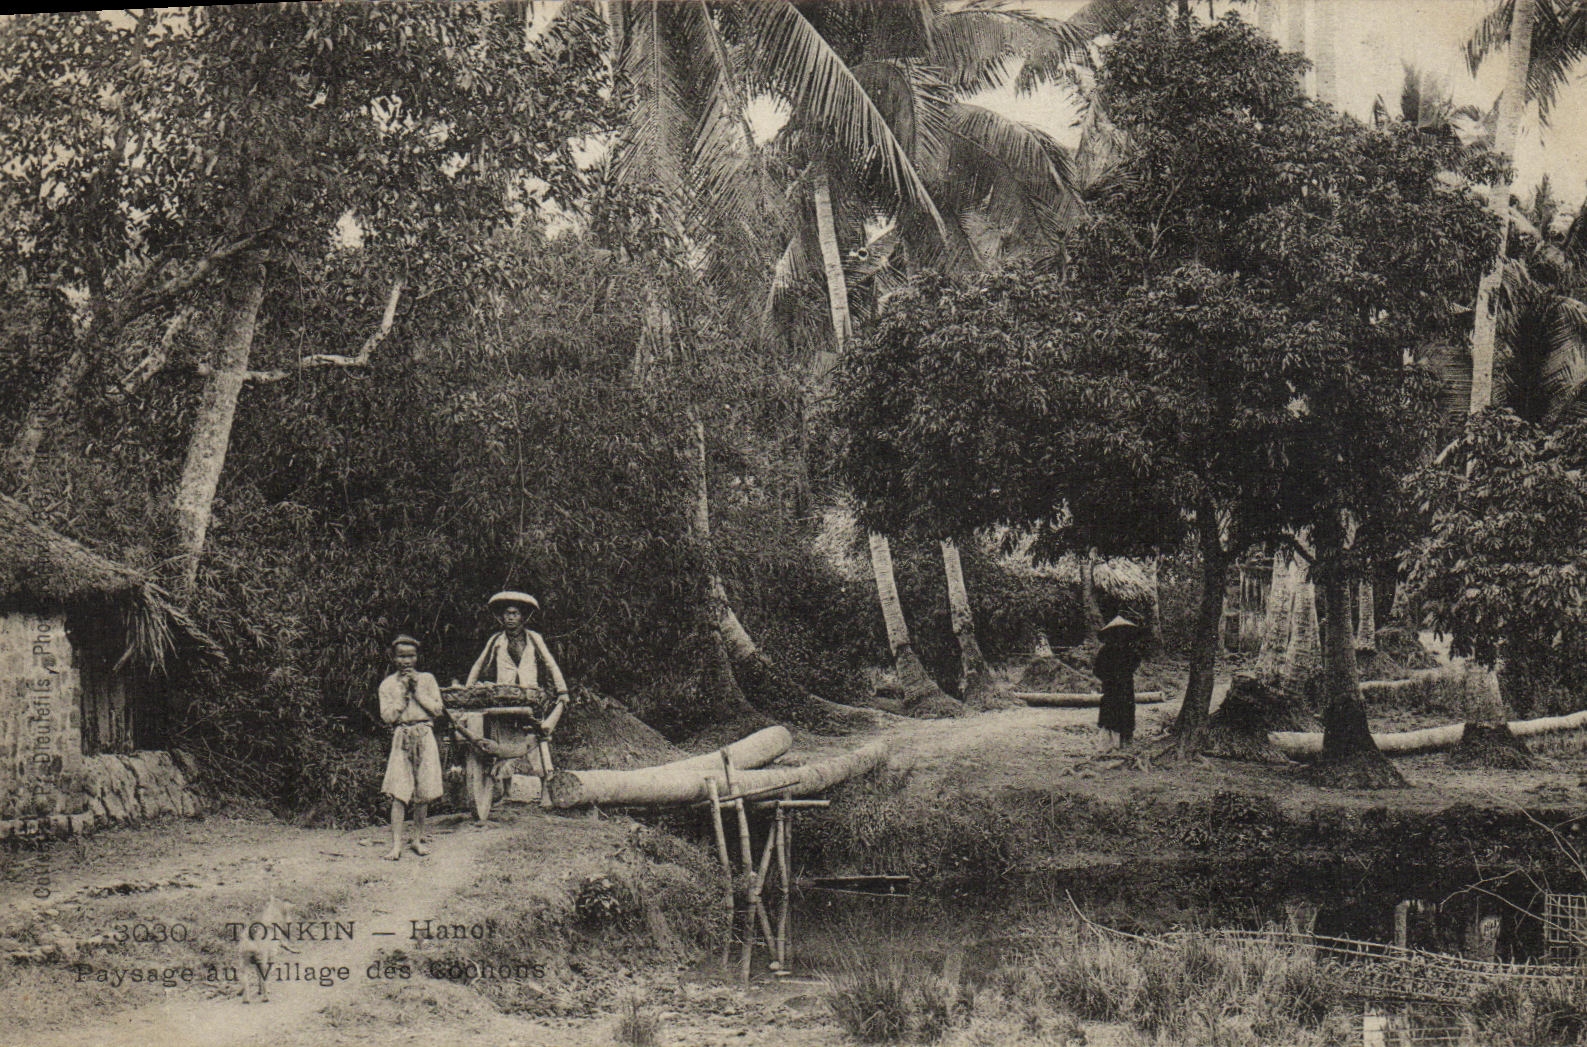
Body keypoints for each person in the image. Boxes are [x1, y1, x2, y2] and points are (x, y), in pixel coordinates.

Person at [378, 635, 445, 860]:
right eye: (401, 656)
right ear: (393, 658)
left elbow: (437, 710)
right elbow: (387, 717)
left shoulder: (427, 679)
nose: (406, 661)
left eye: (411, 656)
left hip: (425, 734)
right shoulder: (387, 685)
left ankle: (416, 839)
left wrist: (417, 693)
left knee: (422, 792)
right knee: (398, 792)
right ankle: (396, 845)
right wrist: (403, 697)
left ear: (417, 657)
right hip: (402, 736)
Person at [464, 591, 569, 703]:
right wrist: (467, 690)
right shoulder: (496, 640)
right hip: (504, 696)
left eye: (515, 614)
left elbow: (550, 664)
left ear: (522, 617)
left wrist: (562, 691)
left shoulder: (534, 638)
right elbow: (479, 665)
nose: (511, 618)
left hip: (530, 695)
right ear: (502, 617)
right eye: (507, 614)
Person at [1094, 616, 1144, 751]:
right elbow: (1097, 670)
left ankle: (1123, 744)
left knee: (1124, 714)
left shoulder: (1130, 651)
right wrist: (1109, 677)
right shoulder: (1106, 651)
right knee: (1111, 716)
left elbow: (1135, 664)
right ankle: (1109, 746)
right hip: (1112, 688)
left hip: (1124, 688)